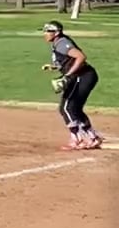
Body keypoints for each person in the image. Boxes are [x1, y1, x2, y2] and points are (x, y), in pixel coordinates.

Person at [44, 20, 103, 150]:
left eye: (48, 31)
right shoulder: (58, 43)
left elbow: (81, 57)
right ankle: (92, 137)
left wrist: (68, 75)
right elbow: (68, 61)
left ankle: (77, 138)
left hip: (82, 76)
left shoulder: (62, 43)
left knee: (67, 107)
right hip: (83, 76)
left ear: (56, 33)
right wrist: (54, 67)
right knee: (73, 108)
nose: (45, 34)